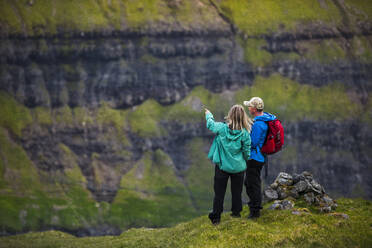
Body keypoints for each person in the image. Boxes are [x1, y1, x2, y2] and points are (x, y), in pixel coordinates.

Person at [205, 105, 252, 225]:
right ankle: (236, 213)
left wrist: (208, 114)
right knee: (237, 192)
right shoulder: (245, 133)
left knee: (219, 193)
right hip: (239, 167)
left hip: (222, 167)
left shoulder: (221, 128)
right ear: (243, 117)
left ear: (230, 115)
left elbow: (211, 124)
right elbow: (247, 151)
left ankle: (216, 217)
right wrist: (246, 160)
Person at [243, 97, 276, 219]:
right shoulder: (264, 120)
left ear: (254, 108)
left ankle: (255, 211)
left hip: (255, 158)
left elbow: (253, 143)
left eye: (250, 106)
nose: (248, 108)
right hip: (259, 157)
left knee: (253, 184)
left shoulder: (258, 124)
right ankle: (254, 207)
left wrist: (244, 139)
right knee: (250, 182)